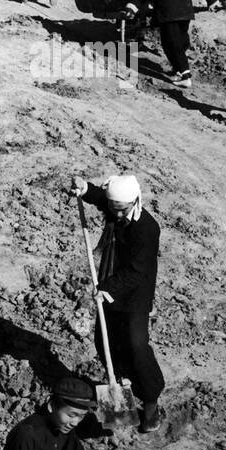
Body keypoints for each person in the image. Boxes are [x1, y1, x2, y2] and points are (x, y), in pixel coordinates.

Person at [71, 174, 165, 433]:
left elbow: (137, 271)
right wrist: (86, 188)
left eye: (121, 209)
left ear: (134, 202)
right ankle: (121, 386)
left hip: (134, 295)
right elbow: (102, 199)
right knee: (105, 342)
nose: (116, 213)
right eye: (114, 208)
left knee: (136, 345)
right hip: (110, 286)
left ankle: (150, 403)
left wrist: (107, 288)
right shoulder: (115, 207)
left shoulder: (147, 228)